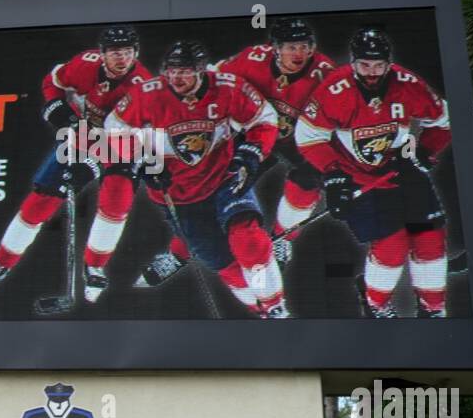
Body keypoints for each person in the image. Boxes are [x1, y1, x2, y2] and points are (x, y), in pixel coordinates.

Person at [0, 25, 150, 299]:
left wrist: (88, 157)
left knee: (116, 200)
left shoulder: (141, 88)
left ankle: (95, 269)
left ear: (135, 54)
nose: (121, 58)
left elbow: (125, 143)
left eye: (127, 52)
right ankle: (0, 264)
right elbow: (53, 82)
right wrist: (55, 106)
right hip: (82, 136)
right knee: (41, 200)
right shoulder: (83, 65)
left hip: (124, 147)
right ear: (101, 54)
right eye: (114, 53)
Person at [108, 39, 289, 318]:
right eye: (171, 70)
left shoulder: (227, 87)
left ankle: (276, 306)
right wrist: (141, 160)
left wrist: (252, 152)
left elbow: (264, 118)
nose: (176, 77)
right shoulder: (148, 94)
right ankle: (259, 309)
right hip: (178, 195)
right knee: (223, 262)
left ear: (202, 70)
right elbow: (114, 127)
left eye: (185, 71)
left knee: (249, 241)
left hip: (225, 179)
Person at [292, 26, 452, 317]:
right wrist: (333, 174)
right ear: (353, 62)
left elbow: (442, 119)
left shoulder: (408, 83)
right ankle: (376, 304)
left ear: (389, 63)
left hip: (401, 169)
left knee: (429, 239)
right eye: (365, 65)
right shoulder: (334, 89)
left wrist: (426, 151)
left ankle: (433, 309)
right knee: (392, 245)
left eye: (379, 65)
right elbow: (308, 137)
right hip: (357, 176)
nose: (372, 72)